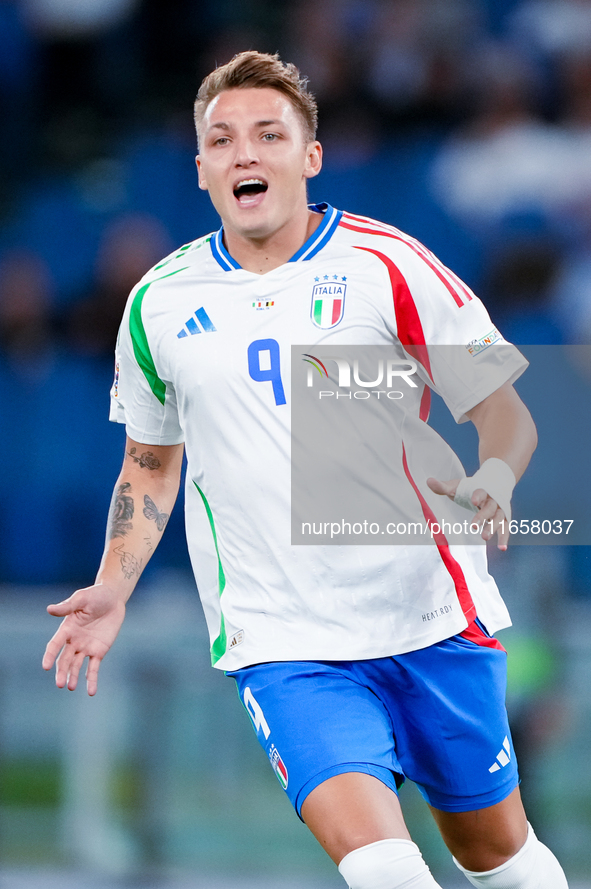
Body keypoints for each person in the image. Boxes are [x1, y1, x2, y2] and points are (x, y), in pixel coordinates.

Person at [42, 51, 569, 889]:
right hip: (282, 640)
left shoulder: (388, 263)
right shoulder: (158, 303)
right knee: (386, 870)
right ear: (202, 168)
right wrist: (112, 585)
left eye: (267, 134)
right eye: (222, 139)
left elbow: (504, 410)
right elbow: (149, 464)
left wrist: (497, 474)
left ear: (308, 155)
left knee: (495, 854)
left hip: (428, 612)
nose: (244, 152)